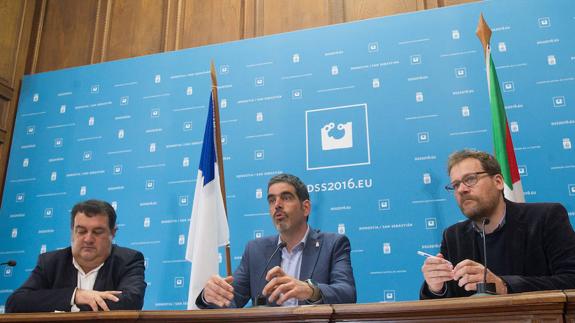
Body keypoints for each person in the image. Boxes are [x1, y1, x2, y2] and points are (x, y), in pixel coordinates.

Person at [420, 149, 575, 299]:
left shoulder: (546, 218)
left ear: (498, 182)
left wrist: (504, 286)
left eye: (470, 179)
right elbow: (444, 305)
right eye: (455, 185)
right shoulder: (453, 236)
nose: (461, 189)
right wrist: (436, 288)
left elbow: (571, 280)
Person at [196, 173, 356, 308]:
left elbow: (347, 293)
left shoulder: (333, 244)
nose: (277, 205)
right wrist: (209, 296)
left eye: (286, 198)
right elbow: (231, 300)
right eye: (272, 200)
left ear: (305, 208)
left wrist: (311, 290)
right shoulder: (255, 250)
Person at [6, 199, 146, 312]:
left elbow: (131, 302)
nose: (88, 239)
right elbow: (16, 303)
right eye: (81, 231)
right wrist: (75, 295)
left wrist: (65, 307)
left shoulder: (128, 260)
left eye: (97, 232)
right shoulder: (51, 262)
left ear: (113, 232)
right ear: (72, 231)